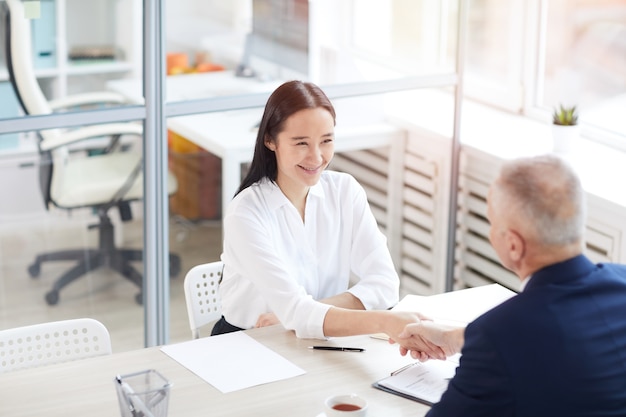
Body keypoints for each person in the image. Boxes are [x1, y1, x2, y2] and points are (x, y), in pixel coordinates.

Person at [211, 80, 444, 356]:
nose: (317, 156)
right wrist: (384, 320)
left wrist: (303, 313)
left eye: (327, 141)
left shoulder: (345, 191)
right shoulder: (247, 212)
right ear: (270, 140)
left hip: (321, 338)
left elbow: (384, 283)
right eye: (301, 143)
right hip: (248, 344)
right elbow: (298, 312)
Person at [396, 154, 626, 416]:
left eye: (492, 223)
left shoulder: (498, 336)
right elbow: (566, 338)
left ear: (514, 246)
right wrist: (452, 338)